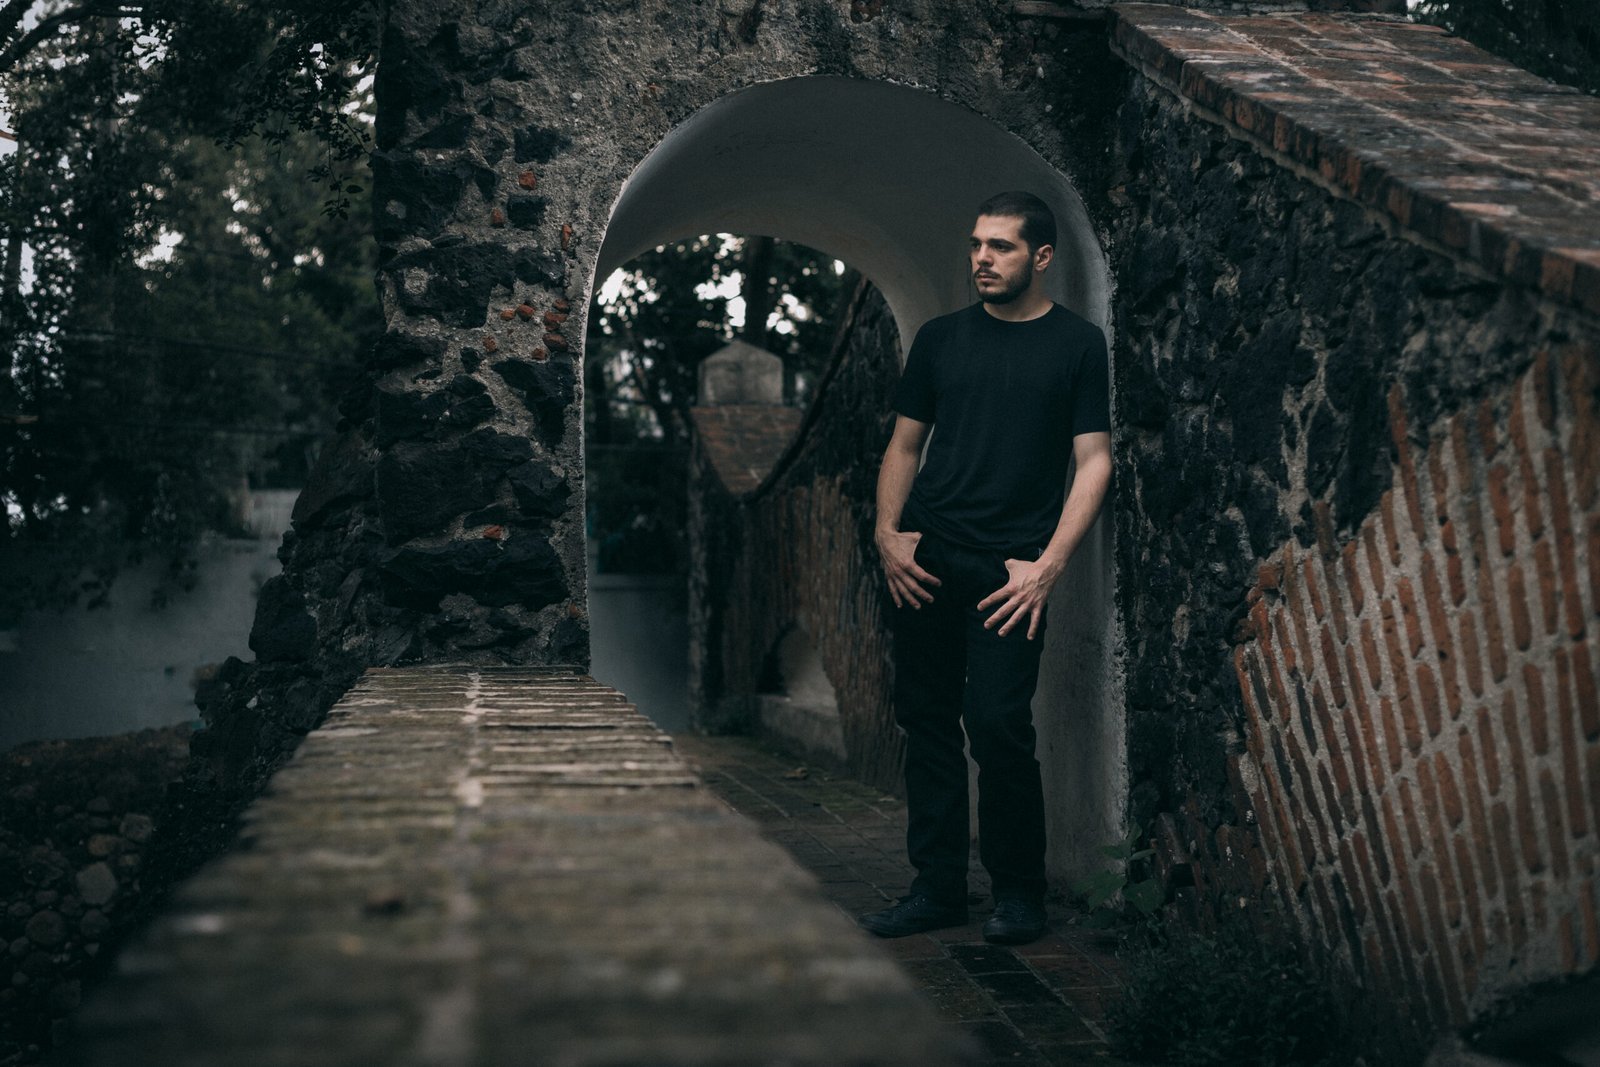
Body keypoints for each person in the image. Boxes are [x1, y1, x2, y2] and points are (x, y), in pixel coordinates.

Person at [858, 191, 1112, 946]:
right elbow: (905, 446)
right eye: (976, 244)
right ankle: (936, 889)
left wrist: (1047, 568)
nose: (981, 258)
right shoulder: (940, 339)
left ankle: (1019, 894)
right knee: (926, 719)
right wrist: (888, 535)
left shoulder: (1077, 345)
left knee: (999, 724)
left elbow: (1094, 462)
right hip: (928, 559)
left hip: (1012, 572)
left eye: (1000, 246)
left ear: (1041, 257)